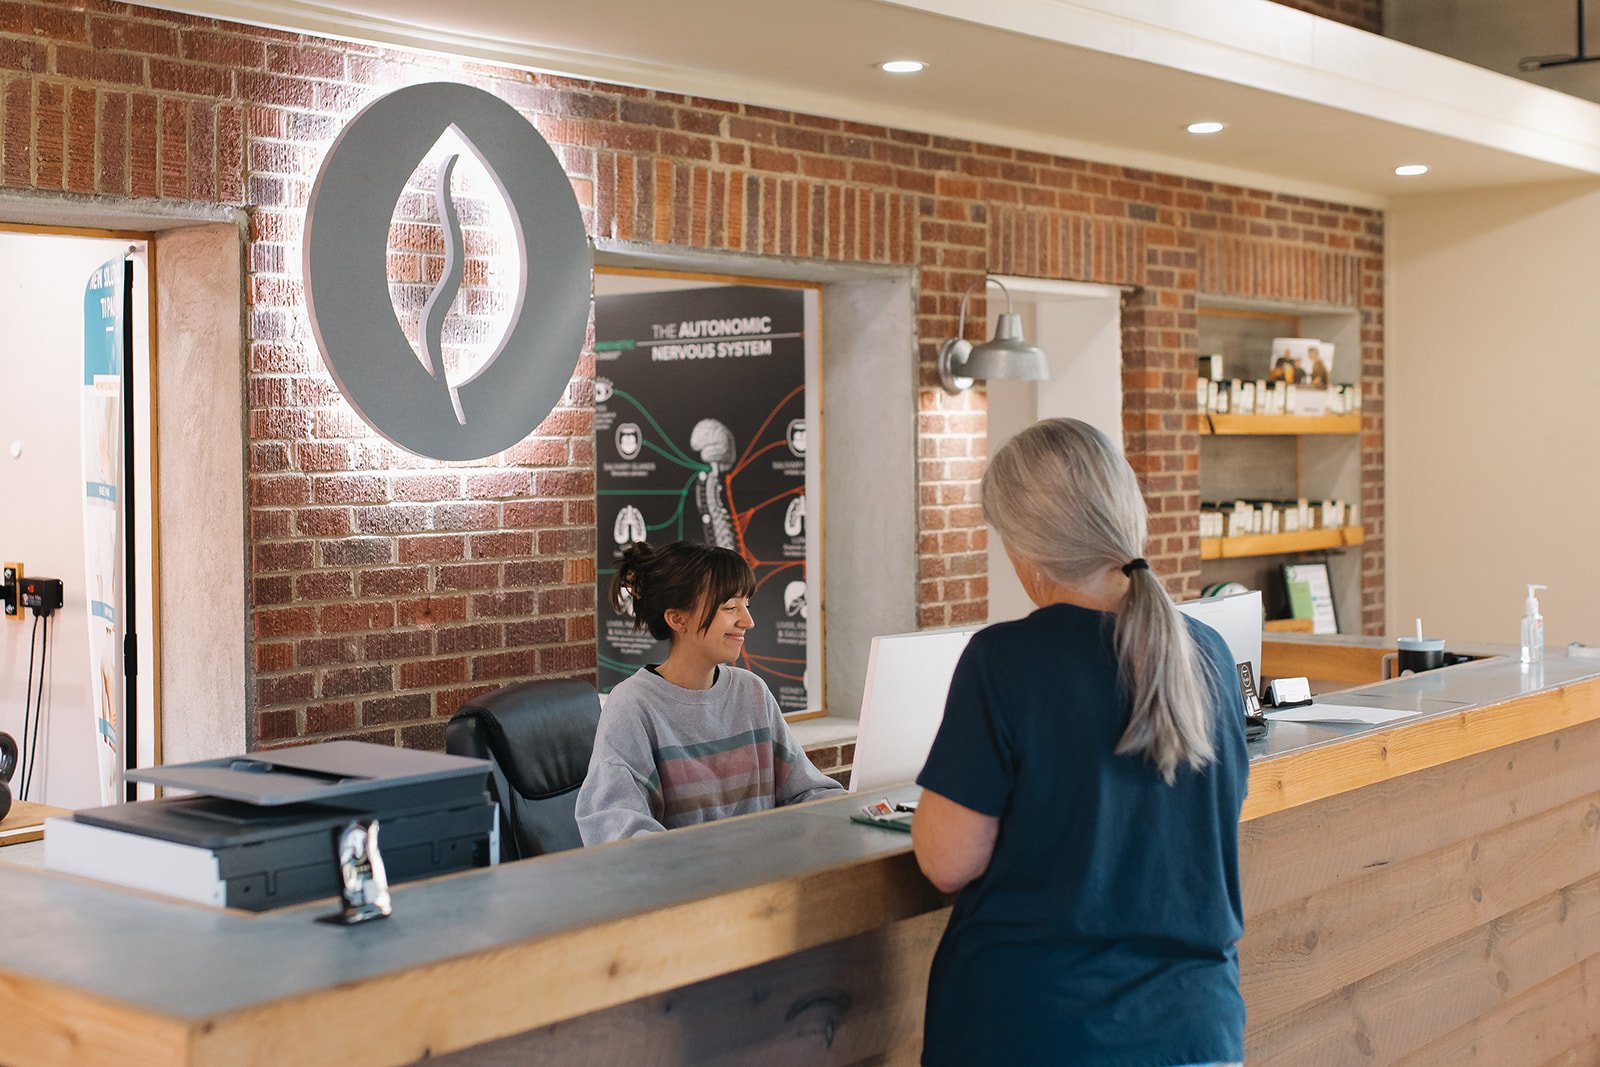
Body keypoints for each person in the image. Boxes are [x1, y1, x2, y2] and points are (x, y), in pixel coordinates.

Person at [911, 418, 1249, 1067]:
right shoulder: (1205, 651)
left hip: (1039, 1031)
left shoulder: (1004, 660)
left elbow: (948, 859)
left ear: (1028, 548)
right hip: (1196, 1028)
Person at [576, 540, 842, 844]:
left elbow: (807, 791)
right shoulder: (633, 706)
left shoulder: (751, 692)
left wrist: (860, 814)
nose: (748, 621)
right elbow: (617, 828)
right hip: (688, 887)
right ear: (678, 619)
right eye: (730, 607)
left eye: (747, 605)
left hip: (762, 879)